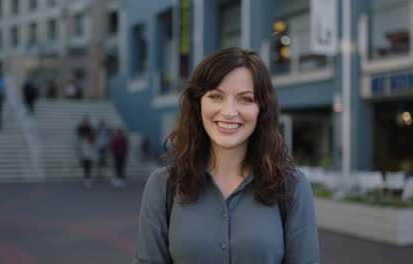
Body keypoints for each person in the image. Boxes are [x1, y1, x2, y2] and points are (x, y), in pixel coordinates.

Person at [133, 47, 319, 264]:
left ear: (262, 109)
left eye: (246, 99)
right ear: (198, 104)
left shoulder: (291, 186)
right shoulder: (162, 186)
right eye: (216, 96)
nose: (229, 111)